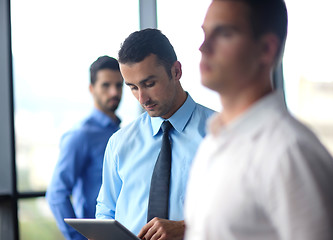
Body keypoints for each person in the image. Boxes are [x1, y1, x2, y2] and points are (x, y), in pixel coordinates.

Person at [184, 0, 333, 240]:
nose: (203, 47)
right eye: (205, 33)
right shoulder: (213, 142)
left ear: (266, 50)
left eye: (225, 33)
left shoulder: (290, 151)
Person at [95, 28, 214, 240]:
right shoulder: (119, 143)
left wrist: (186, 227)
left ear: (176, 71)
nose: (142, 98)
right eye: (132, 87)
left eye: (149, 84)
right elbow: (106, 209)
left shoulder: (221, 136)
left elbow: (246, 213)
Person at [46, 56, 123, 240]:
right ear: (91, 89)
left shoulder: (121, 133)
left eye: (119, 85)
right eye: (106, 85)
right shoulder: (81, 135)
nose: (114, 92)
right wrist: (79, 238)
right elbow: (57, 194)